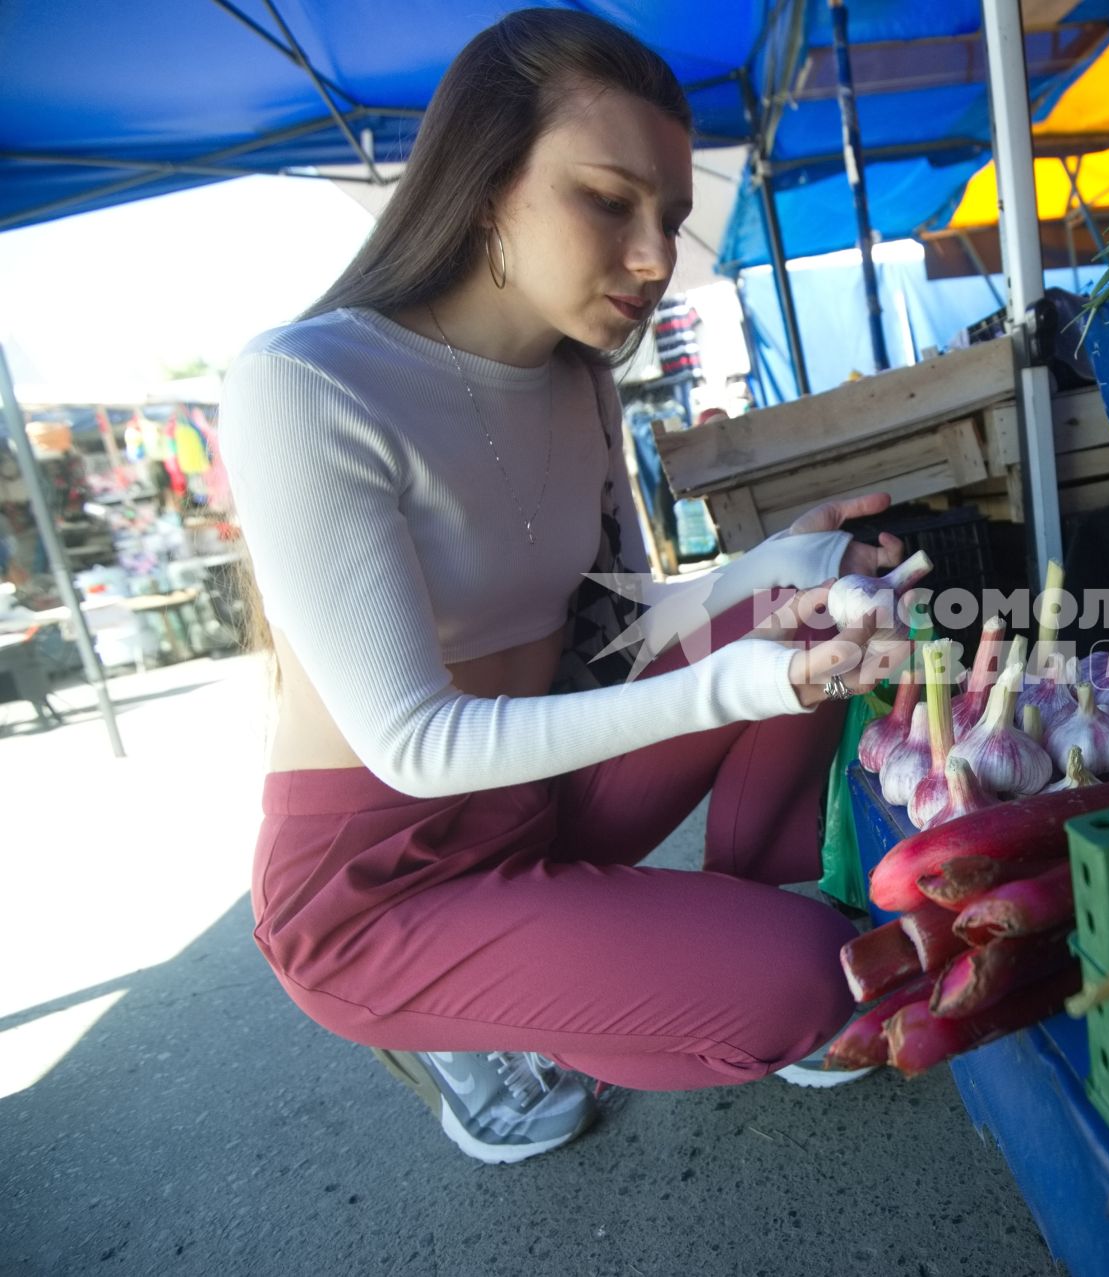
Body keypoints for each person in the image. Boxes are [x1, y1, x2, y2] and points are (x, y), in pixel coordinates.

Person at [221, 9, 908, 1165]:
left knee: (820, 598)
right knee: (807, 981)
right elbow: (415, 743)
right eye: (608, 200)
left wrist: (776, 566)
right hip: (378, 888)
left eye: (672, 219)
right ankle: (482, 1014)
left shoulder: (580, 381)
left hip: (536, 798)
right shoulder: (307, 382)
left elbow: (614, 629)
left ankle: (726, 917)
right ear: (489, 180)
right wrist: (736, 685)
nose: (654, 257)